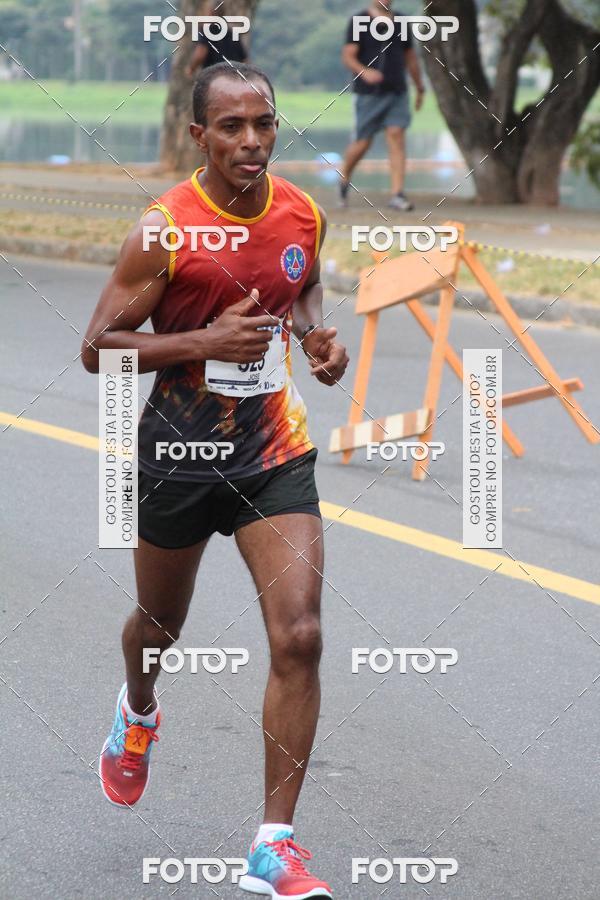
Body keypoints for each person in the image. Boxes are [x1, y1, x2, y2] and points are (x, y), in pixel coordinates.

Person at [82, 61, 348, 899]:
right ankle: (138, 710)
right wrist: (200, 344)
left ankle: (273, 847)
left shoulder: (302, 210)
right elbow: (98, 347)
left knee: (299, 634)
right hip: (178, 450)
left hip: (272, 448)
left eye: (263, 124)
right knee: (159, 624)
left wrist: (315, 339)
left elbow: (299, 282)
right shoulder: (163, 228)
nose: (251, 142)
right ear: (199, 135)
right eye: (231, 127)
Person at [340, 0, 426, 211]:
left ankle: (397, 194)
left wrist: (419, 86)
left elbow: (410, 57)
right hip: (369, 94)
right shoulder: (359, 21)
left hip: (397, 91)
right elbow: (348, 56)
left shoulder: (402, 21)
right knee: (362, 143)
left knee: (396, 135)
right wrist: (364, 72)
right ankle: (344, 178)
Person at [185, 2, 248, 80]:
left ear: (210, 12)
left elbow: (200, 53)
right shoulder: (232, 33)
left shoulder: (207, 31)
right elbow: (244, 60)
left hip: (214, 77)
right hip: (233, 78)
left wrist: (191, 69)